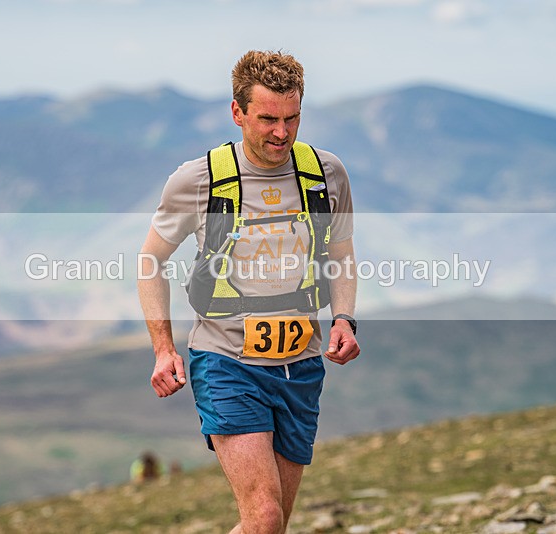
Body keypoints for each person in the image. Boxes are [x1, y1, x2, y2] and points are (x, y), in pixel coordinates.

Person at [137, 50, 359, 534]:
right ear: (237, 113)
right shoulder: (198, 180)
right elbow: (150, 260)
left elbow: (341, 253)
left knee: (272, 524)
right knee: (262, 518)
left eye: (292, 118)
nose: (281, 132)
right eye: (267, 119)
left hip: (301, 363)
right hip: (225, 360)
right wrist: (162, 348)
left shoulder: (326, 174)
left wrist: (344, 318)